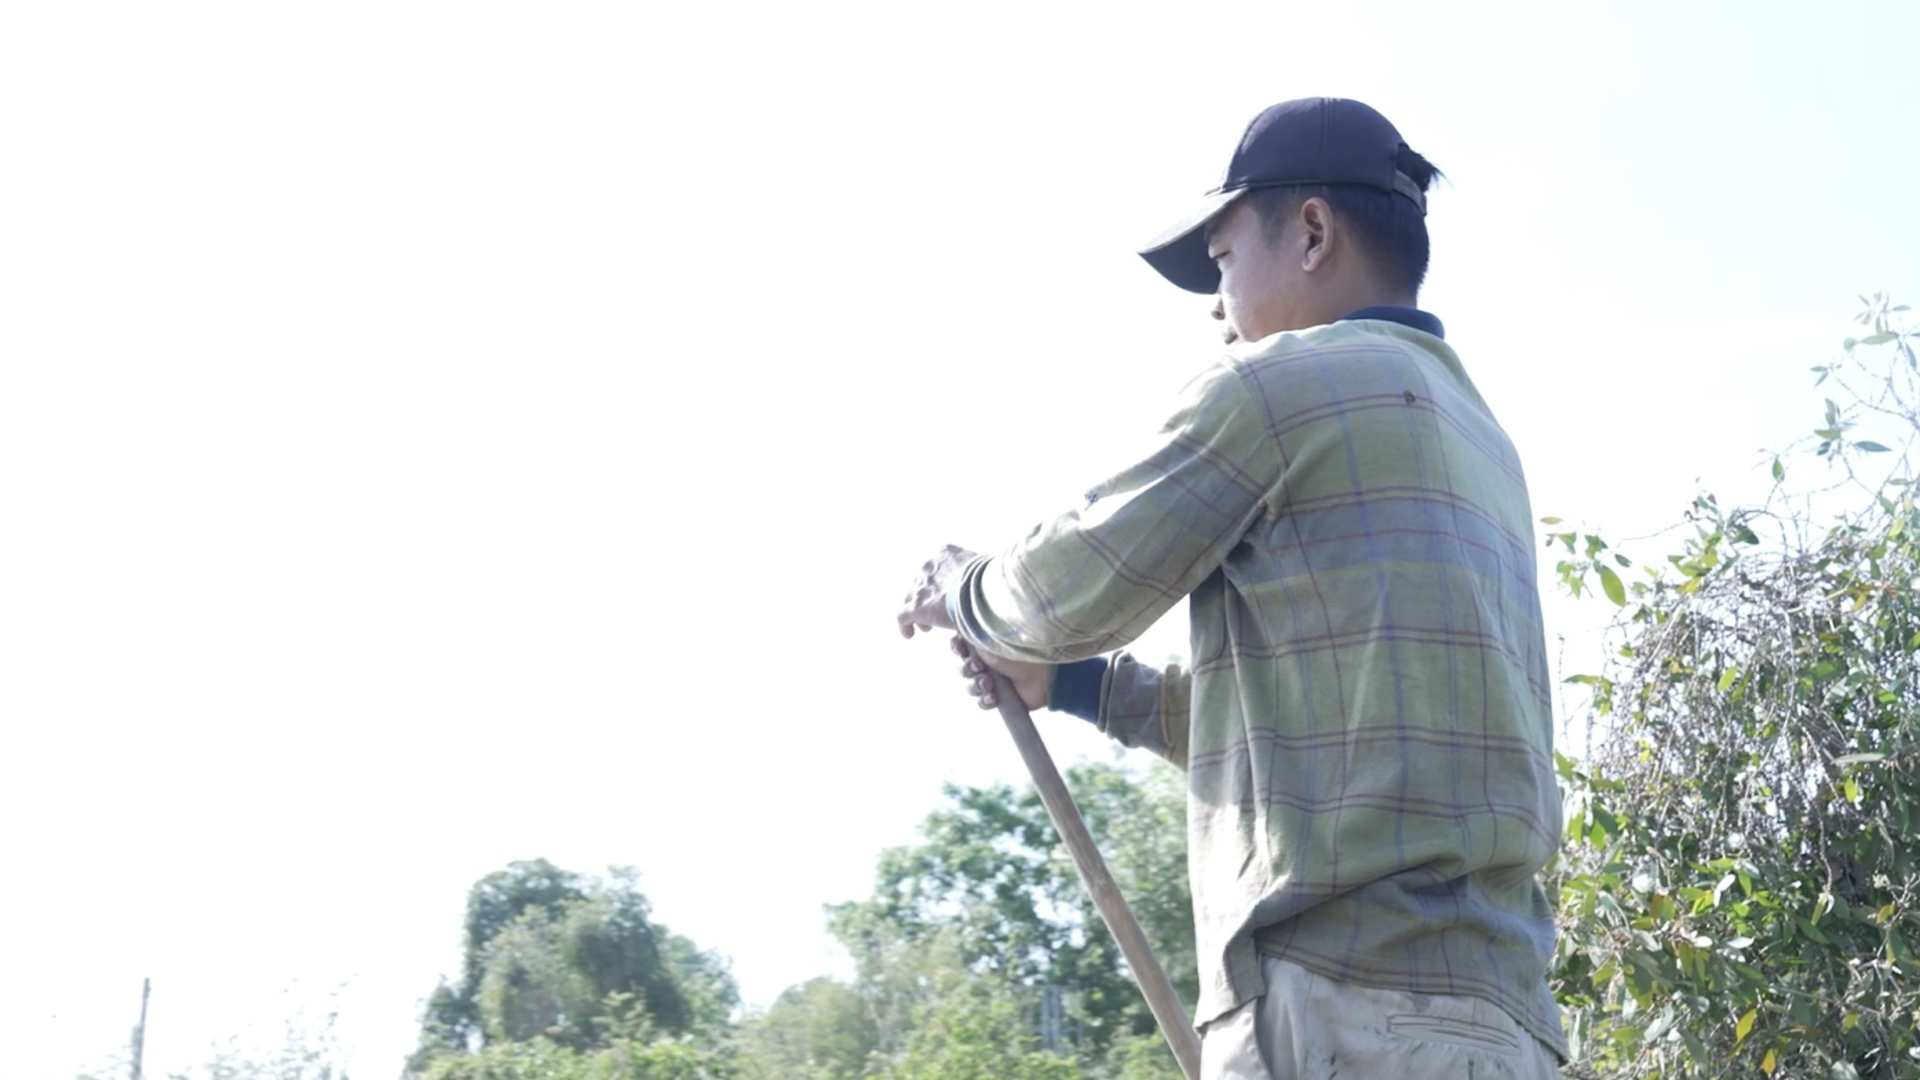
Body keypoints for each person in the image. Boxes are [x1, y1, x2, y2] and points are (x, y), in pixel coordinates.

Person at [896, 97, 1565, 1078]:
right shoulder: (1479, 440)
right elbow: (1316, 730)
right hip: (1504, 1032)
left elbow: (1069, 585)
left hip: (1334, 1013)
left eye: (1219, 264)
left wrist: (964, 589)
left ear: (1310, 232)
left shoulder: (1282, 388)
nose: (1217, 309)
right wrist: (1075, 687)